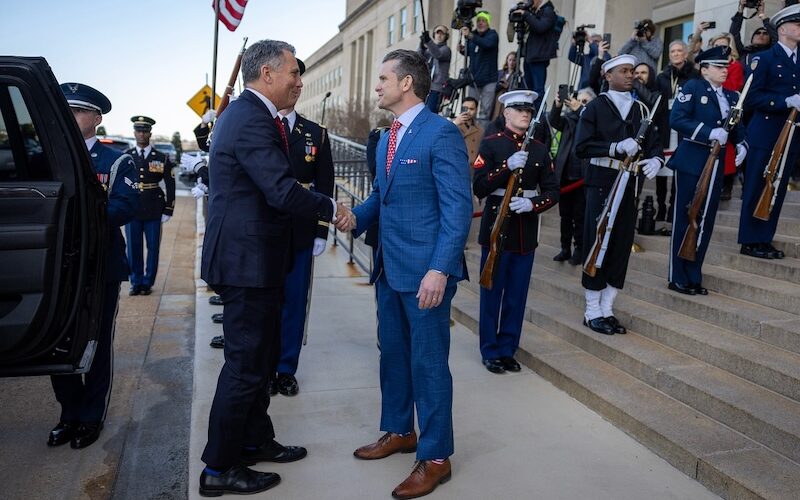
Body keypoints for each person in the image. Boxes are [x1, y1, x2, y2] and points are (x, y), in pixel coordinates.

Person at [198, 39, 353, 497]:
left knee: (262, 359)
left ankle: (254, 440)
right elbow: (281, 190)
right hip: (245, 264)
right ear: (267, 74)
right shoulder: (249, 118)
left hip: (259, 260)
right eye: (293, 72)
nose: (298, 80)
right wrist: (332, 209)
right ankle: (219, 467)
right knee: (246, 366)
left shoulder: (252, 115)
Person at [349, 49, 472, 500]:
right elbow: (380, 196)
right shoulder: (386, 137)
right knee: (393, 356)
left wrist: (440, 269)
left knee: (429, 364)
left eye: (383, 78)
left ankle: (436, 457)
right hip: (389, 268)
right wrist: (353, 218)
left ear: (406, 83)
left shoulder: (441, 133)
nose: (377, 85)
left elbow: (457, 209)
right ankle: (400, 431)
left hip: (426, 274)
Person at [49, 83, 139, 449]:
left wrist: (80, 217)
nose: (70, 117)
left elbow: (125, 207)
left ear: (96, 118)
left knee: (96, 341)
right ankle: (69, 413)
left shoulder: (116, 160)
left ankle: (91, 415)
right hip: (60, 268)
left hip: (101, 264)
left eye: (78, 111)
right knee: (59, 342)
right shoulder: (49, 156)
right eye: (66, 110)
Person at [574, 55, 664, 336]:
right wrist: (614, 147)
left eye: (632, 71)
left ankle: (607, 308)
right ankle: (592, 310)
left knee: (621, 245)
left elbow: (654, 143)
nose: (630, 75)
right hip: (602, 181)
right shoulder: (595, 108)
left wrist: (657, 160)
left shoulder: (640, 108)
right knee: (597, 242)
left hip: (630, 184)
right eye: (623, 71)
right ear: (608, 75)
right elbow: (582, 147)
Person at [473, 90, 559, 373]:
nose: (525, 114)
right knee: (491, 294)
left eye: (529, 111)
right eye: (519, 110)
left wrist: (533, 204)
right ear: (506, 113)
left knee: (516, 296)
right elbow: (479, 186)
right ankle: (489, 349)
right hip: (496, 229)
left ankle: (507, 348)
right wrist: (506, 166)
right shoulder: (491, 144)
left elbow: (552, 191)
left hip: (524, 232)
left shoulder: (539, 149)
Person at [668, 46, 748, 295]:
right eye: (719, 67)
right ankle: (677, 275)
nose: (725, 71)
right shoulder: (692, 88)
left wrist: (742, 144)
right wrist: (708, 132)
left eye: (726, 67)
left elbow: (737, 127)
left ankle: (694, 274)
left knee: (706, 220)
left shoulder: (733, 96)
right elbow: (676, 119)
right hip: (692, 160)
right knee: (686, 216)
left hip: (717, 163)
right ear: (704, 70)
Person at [270, 101, 334, 397]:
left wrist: (322, 229)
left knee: (295, 302)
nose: (294, 86)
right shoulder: (262, 124)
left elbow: (325, 185)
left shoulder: (316, 133)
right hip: (267, 228)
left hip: (302, 228)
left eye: (298, 81)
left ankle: (286, 369)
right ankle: (265, 369)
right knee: (266, 304)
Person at [738, 5, 800, 260]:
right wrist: (785, 101)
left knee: (778, 188)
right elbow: (751, 97)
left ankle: (764, 238)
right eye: (797, 24)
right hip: (765, 132)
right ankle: (749, 240)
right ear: (783, 29)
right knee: (756, 185)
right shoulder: (764, 59)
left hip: (791, 134)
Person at [124, 116, 175, 296]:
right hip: (132, 209)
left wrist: (169, 209)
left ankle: (147, 283)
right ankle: (136, 282)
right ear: (134, 133)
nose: (141, 134)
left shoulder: (161, 157)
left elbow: (170, 184)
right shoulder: (126, 156)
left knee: (153, 248)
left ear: (150, 134)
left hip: (154, 208)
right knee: (133, 247)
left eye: (145, 131)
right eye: (138, 130)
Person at [655, 40, 700, 225]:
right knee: (661, 171)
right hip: (665, 128)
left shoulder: (695, 76)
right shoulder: (662, 77)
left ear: (686, 53)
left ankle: (673, 208)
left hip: (683, 128)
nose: (675, 53)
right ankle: (661, 207)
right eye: (672, 51)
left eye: (679, 50)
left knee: (677, 171)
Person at [550, 87, 596, 265]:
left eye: (585, 102)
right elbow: (554, 121)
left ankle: (579, 249)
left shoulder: (593, 120)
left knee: (580, 216)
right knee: (565, 215)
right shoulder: (570, 119)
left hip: (582, 177)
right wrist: (558, 105)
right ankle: (565, 248)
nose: (580, 103)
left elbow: (591, 125)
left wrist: (581, 110)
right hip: (565, 176)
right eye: (579, 100)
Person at [459, 10, 499, 128]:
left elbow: (487, 44)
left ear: (488, 23)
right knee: (470, 108)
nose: (480, 23)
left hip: (489, 80)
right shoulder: (473, 35)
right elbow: (471, 52)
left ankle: (481, 133)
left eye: (483, 21)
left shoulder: (492, 34)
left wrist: (471, 36)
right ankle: (468, 131)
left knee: (485, 111)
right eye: (479, 21)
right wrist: (462, 49)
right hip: (474, 79)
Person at [517, 0, 560, 108]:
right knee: (528, 89)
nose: (529, 2)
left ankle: (540, 115)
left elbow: (540, 27)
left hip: (539, 57)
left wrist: (526, 14)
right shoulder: (535, 11)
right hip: (530, 56)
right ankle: (530, 112)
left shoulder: (548, 10)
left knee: (538, 90)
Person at [731, 0, 777, 67]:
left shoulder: (773, 51)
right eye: (758, 33)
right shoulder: (743, 52)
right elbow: (733, 35)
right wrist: (740, 11)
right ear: (752, 39)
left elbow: (776, 36)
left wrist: (762, 15)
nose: (761, 35)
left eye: (765, 33)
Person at [418, 24, 451, 113]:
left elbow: (438, 54)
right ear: (434, 35)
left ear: (446, 36)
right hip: (426, 87)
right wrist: (421, 46)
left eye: (442, 34)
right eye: (437, 33)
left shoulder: (446, 49)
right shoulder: (430, 49)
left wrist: (428, 41)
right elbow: (419, 58)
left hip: (437, 88)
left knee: (430, 112)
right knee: (420, 112)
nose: (439, 35)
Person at [452, 96, 483, 165]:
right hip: (455, 164)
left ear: (476, 110)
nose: (468, 111)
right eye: (465, 108)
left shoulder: (480, 130)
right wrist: (455, 123)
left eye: (471, 109)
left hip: (471, 167)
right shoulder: (451, 124)